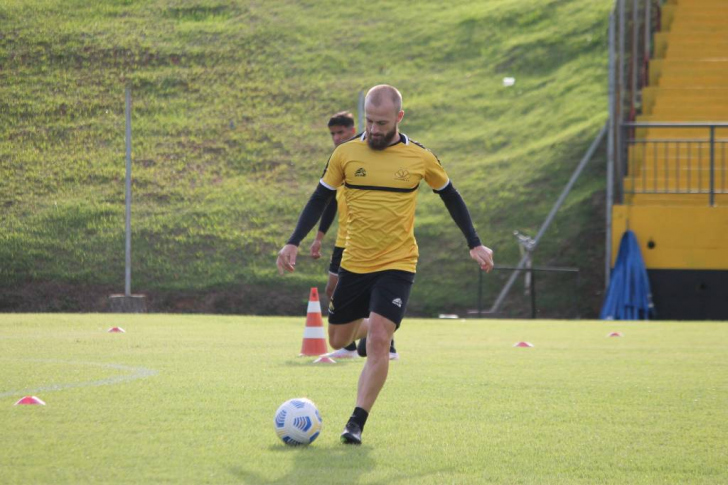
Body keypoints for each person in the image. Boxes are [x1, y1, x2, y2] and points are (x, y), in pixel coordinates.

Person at [277, 84, 493, 445]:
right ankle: (367, 326)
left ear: (399, 118)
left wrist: (474, 242)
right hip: (355, 262)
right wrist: (294, 240)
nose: (374, 129)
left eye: (382, 122)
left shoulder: (419, 157)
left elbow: (451, 195)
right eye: (369, 121)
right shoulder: (346, 154)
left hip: (398, 262)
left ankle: (356, 422)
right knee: (338, 337)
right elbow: (320, 198)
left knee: (380, 340)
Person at [310, 111, 399, 360]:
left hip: (367, 241)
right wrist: (318, 237)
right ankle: (350, 346)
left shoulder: (365, 155)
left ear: (352, 130)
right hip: (343, 240)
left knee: (371, 295)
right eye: (332, 134)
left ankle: (387, 344)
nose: (336, 138)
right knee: (333, 289)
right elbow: (329, 202)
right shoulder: (341, 159)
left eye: (340, 133)